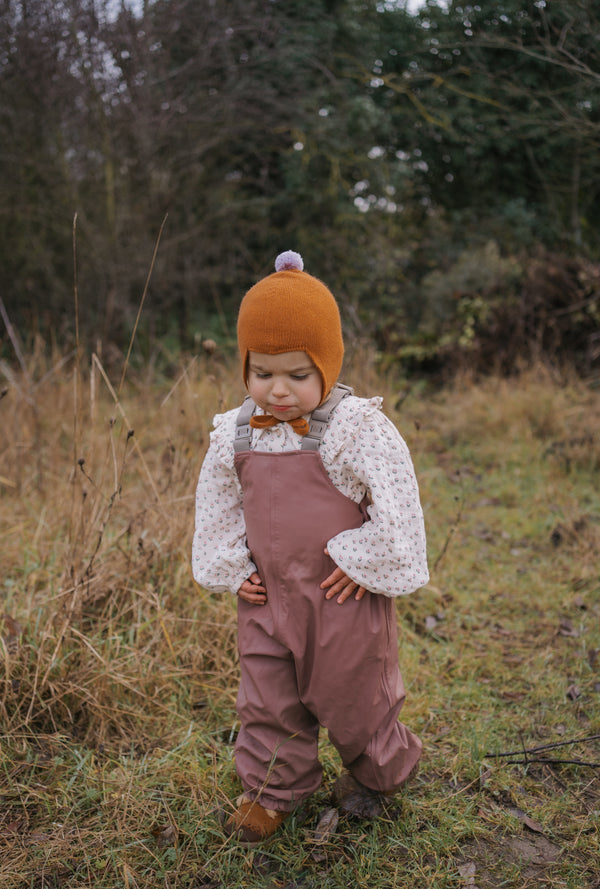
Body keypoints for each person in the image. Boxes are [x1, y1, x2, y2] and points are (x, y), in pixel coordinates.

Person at [192, 251, 429, 844]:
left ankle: (380, 771)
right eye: (262, 372)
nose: (278, 391)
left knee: (354, 696)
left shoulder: (354, 427)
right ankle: (273, 791)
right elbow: (216, 502)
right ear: (245, 364)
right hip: (266, 596)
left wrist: (366, 556)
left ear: (327, 364)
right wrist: (229, 564)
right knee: (266, 696)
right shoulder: (236, 430)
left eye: (298, 375)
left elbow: (397, 500)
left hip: (338, 594)